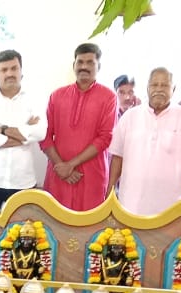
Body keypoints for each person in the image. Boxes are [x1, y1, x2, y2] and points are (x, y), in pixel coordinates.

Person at [106, 67, 181, 215]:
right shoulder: (130, 117)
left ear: (173, 88)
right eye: (154, 85)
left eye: (165, 85)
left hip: (170, 208)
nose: (159, 89)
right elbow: (117, 158)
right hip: (130, 205)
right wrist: (110, 193)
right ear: (147, 88)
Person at [41, 43, 117, 212]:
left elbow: (105, 138)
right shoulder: (57, 95)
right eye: (80, 62)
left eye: (90, 62)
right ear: (73, 65)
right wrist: (61, 166)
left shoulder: (109, 97)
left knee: (90, 228)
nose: (84, 66)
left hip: (91, 176)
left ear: (99, 66)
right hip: (58, 174)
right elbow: (44, 136)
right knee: (54, 224)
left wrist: (70, 165)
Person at [0, 49, 46, 211]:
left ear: (21, 71)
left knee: (23, 234)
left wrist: (2, 129)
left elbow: (41, 132)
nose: (10, 74)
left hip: (23, 181)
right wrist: (23, 133)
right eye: (4, 70)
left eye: (14, 68)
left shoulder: (34, 99)